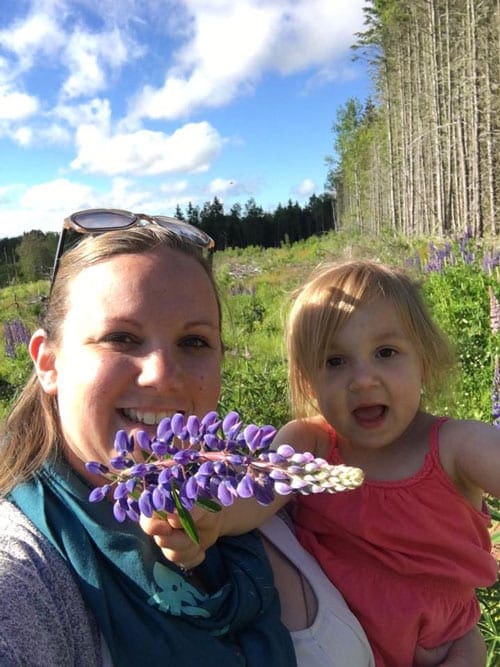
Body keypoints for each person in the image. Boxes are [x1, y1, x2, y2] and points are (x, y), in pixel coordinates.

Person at [0, 217, 487, 667]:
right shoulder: (28, 569)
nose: (162, 375)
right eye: (121, 338)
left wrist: (462, 640)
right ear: (48, 362)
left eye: (194, 342)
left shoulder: (253, 483)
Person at [261, 259, 499, 666]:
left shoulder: (456, 446)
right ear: (307, 381)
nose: (363, 380)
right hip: (341, 648)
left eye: (385, 352)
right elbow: (249, 500)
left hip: (445, 651)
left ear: (424, 359)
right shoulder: (310, 444)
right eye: (335, 361)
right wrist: (195, 515)